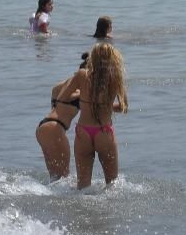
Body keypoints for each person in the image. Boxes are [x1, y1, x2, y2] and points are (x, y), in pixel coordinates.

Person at [57, 43, 128, 189]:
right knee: (112, 186)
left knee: (82, 186)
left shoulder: (82, 75)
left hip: (83, 132)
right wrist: (105, 106)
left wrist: (82, 97)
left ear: (93, 58)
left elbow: (62, 97)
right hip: (105, 132)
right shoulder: (116, 77)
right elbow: (123, 107)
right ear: (114, 58)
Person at [36, 52, 88, 181]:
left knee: (54, 177)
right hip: (55, 128)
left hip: (43, 126)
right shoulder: (79, 91)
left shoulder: (60, 86)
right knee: (63, 177)